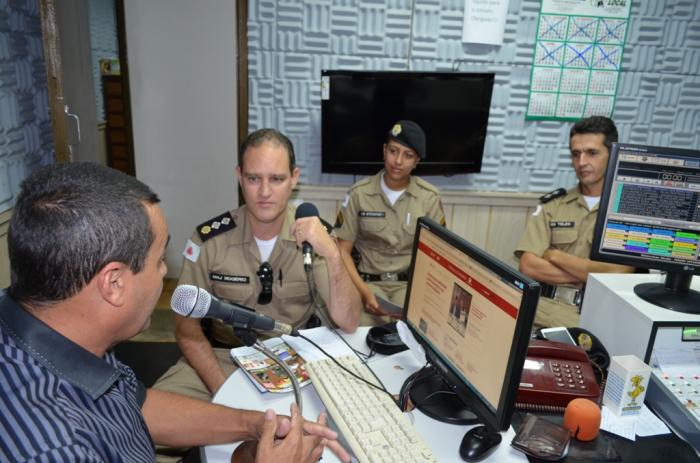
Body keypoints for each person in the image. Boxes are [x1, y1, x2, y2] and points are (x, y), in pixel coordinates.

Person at [0, 162, 350, 463]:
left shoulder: (60, 334)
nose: (165, 274)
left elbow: (136, 407)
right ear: (114, 282)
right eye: (158, 262)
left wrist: (254, 423)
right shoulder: (56, 448)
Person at [154, 128, 361, 403]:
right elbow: (186, 329)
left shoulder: (316, 237)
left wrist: (334, 255)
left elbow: (348, 321)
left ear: (294, 179)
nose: (265, 192)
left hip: (296, 359)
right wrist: (224, 392)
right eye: (254, 179)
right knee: (152, 416)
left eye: (276, 179)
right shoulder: (208, 240)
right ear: (239, 176)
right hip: (224, 359)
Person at [514, 116, 634, 328]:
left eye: (592, 153)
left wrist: (554, 255)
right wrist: (590, 274)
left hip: (595, 317)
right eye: (575, 154)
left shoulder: (627, 212)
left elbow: (618, 274)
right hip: (541, 311)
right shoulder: (553, 206)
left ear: (612, 154)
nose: (581, 162)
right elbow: (529, 266)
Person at [334, 120, 446, 326]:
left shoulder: (428, 198)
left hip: (409, 286)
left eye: (408, 155)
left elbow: (438, 256)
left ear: (416, 161)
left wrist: (423, 295)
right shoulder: (359, 194)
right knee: (358, 336)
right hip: (367, 284)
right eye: (393, 151)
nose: (398, 161)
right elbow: (342, 251)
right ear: (384, 151)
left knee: (410, 339)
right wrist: (364, 292)